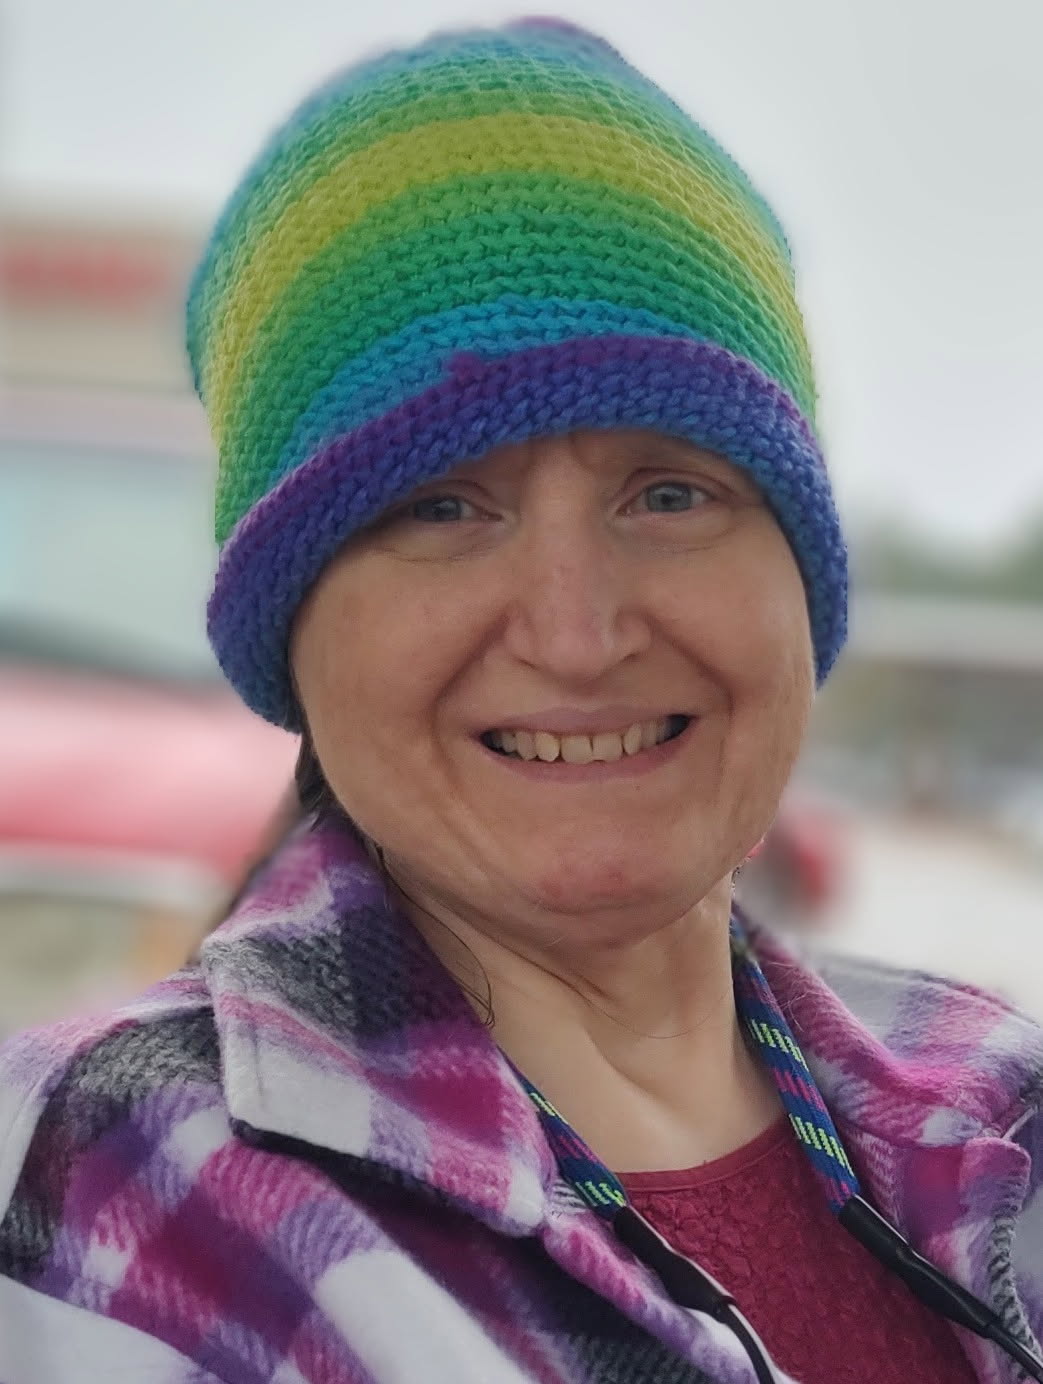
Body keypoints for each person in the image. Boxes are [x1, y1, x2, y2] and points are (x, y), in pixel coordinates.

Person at [1, 19, 1041, 1384]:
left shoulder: (1003, 1100)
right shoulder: (104, 1197)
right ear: (291, 630)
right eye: (442, 507)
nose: (576, 634)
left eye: (671, 493)